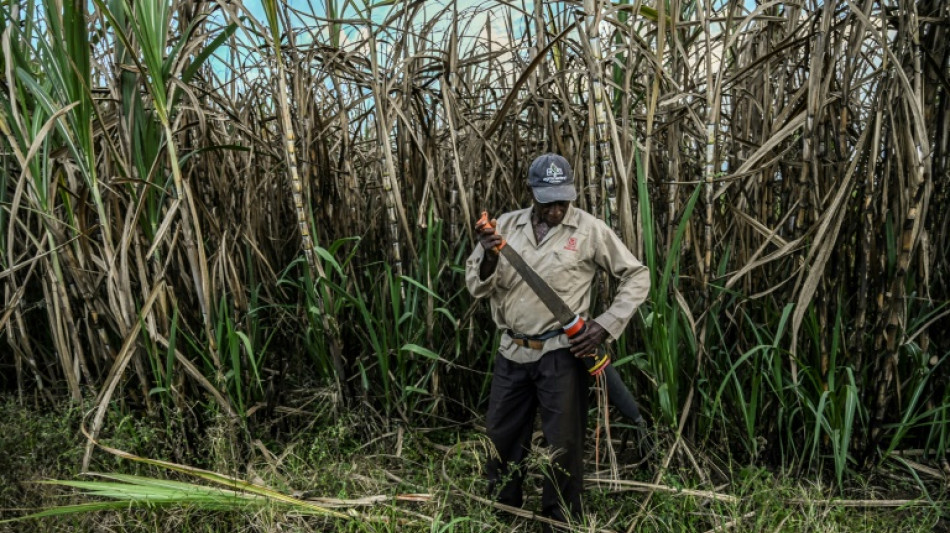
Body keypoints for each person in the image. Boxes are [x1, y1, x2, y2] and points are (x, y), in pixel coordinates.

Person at [465, 153, 651, 528]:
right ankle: (504, 514)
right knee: (501, 437)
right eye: (549, 200)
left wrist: (605, 324)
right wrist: (487, 253)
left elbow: (637, 275)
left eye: (564, 198)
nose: (558, 208)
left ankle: (560, 520)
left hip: (561, 355)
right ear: (532, 193)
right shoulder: (506, 227)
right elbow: (476, 285)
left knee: (563, 446)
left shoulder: (589, 229)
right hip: (512, 351)